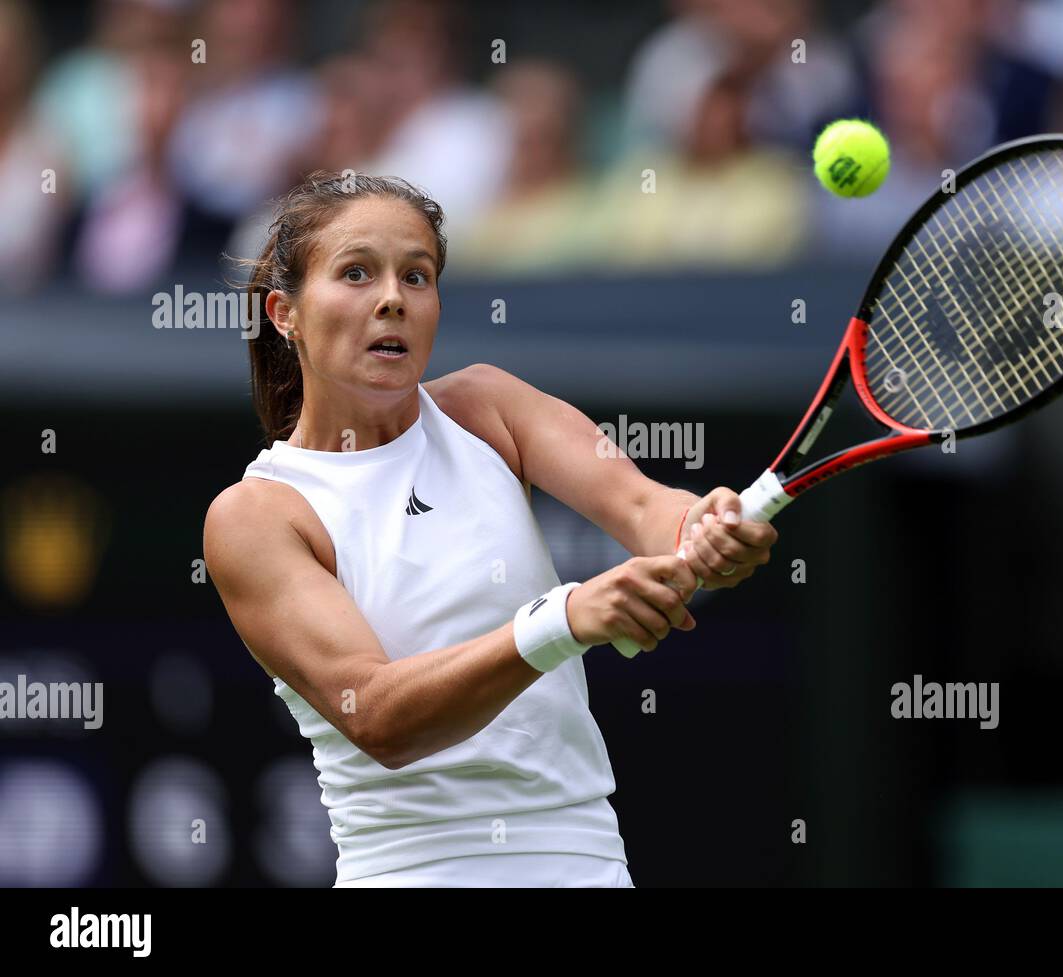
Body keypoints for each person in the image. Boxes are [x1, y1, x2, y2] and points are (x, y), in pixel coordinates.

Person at [202, 172, 778, 887]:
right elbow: (379, 715)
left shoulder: (489, 407)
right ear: (284, 313)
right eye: (357, 273)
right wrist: (561, 620)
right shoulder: (258, 514)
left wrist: (708, 529)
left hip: (587, 865)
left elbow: (646, 510)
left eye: (417, 276)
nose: (392, 299)